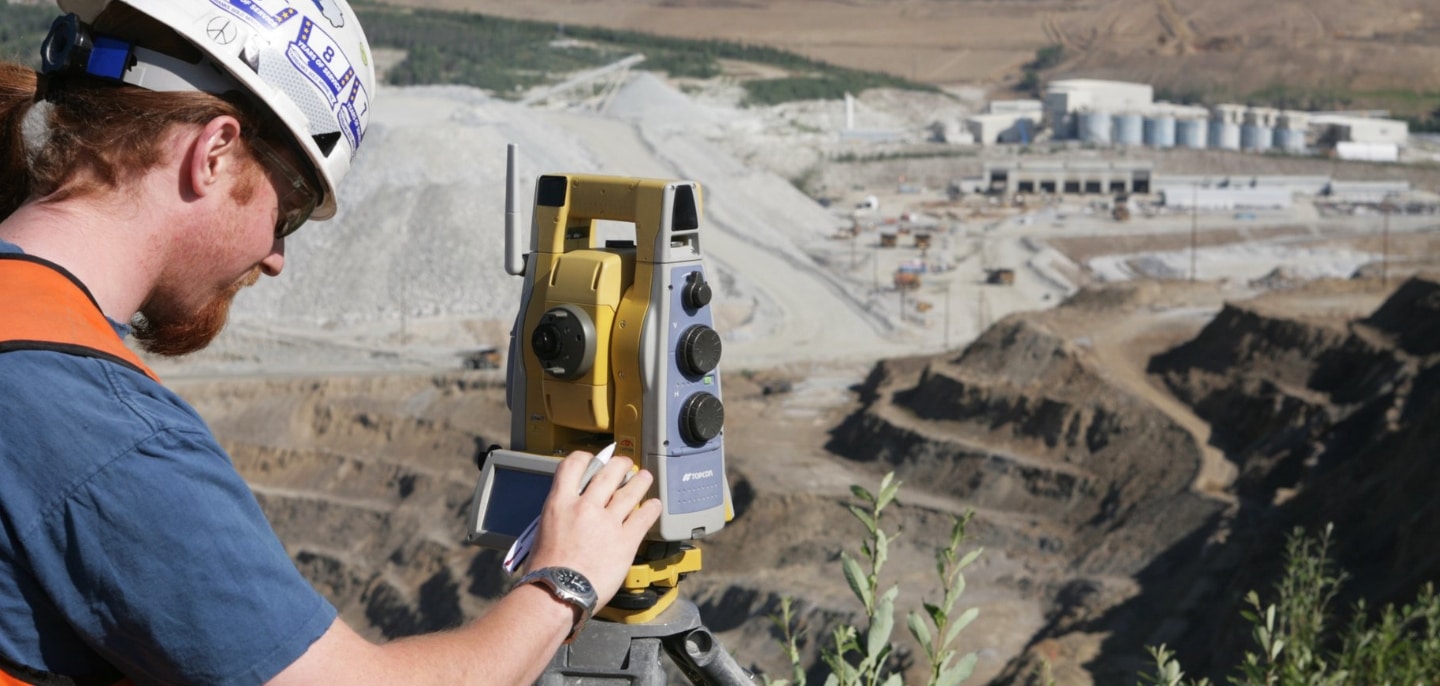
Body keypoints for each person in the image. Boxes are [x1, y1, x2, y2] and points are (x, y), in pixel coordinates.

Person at [0, 1, 662, 684]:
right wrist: (565, 584)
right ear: (215, 153)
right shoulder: (108, 435)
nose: (276, 254)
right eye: (289, 209)